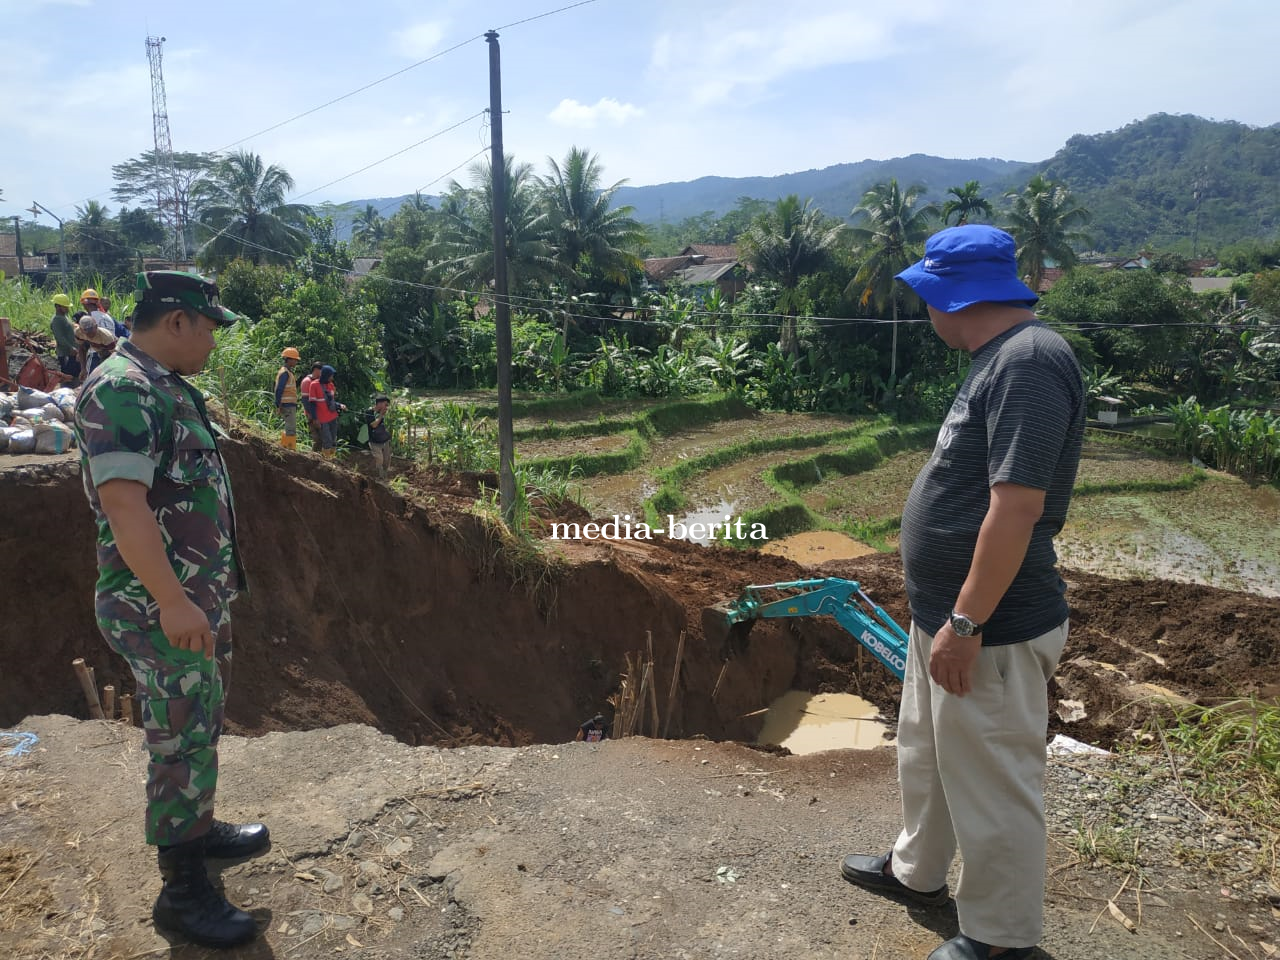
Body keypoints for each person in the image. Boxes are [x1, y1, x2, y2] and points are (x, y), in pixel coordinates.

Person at [840, 226, 1084, 960]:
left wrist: (970, 620)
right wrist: (946, 617)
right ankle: (917, 872)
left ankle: (1004, 940)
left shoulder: (1030, 363)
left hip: (994, 627)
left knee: (993, 783)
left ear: (948, 293)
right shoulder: (998, 360)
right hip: (948, 618)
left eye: (924, 295)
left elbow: (1017, 508)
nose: (923, 310)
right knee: (928, 753)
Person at [72, 270, 266, 949]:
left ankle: (197, 827)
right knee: (178, 737)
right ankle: (183, 892)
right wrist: (174, 599)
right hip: (160, 607)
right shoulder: (124, 388)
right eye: (209, 326)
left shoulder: (158, 384)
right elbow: (124, 506)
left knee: (198, 724)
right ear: (178, 321)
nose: (213, 341)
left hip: (189, 601)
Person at [307, 364, 346, 458]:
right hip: (322, 418)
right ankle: (327, 460)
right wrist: (315, 419)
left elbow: (331, 401)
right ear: (325, 375)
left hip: (332, 416)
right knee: (327, 439)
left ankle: (332, 458)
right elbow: (312, 404)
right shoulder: (314, 385)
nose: (332, 378)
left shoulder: (331, 386)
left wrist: (340, 405)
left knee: (333, 439)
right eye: (331, 375)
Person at [274, 347, 301, 449]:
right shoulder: (285, 373)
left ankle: (286, 447)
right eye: (295, 360)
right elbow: (279, 389)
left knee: (289, 427)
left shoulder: (286, 372)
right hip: (287, 405)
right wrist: (278, 404)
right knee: (291, 429)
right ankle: (289, 449)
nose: (296, 362)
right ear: (289, 359)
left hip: (288, 404)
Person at [49, 293, 81, 381]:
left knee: (75, 376)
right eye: (65, 306)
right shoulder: (57, 320)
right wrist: (71, 347)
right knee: (69, 377)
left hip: (72, 352)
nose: (67, 308)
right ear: (57, 307)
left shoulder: (64, 317)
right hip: (66, 353)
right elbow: (60, 337)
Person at [362, 394, 392, 478]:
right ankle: (379, 477)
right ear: (379, 404)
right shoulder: (369, 412)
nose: (386, 407)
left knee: (387, 460)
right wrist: (381, 415)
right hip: (374, 441)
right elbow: (374, 425)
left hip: (384, 440)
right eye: (385, 404)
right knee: (379, 459)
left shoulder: (383, 412)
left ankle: (384, 477)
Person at [298, 360, 323, 451]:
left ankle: (320, 456)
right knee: (316, 438)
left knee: (322, 438)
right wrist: (312, 416)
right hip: (312, 414)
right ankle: (314, 456)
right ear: (316, 370)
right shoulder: (307, 381)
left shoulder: (317, 381)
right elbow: (305, 401)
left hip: (319, 414)